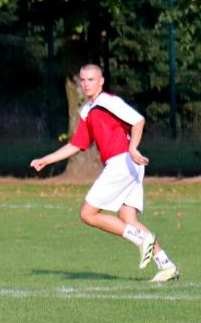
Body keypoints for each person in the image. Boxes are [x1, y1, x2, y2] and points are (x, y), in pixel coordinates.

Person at [30, 63, 179, 282]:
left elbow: (138, 120)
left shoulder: (108, 102)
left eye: (91, 79)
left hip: (123, 162)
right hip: (128, 165)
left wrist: (133, 147)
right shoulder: (86, 110)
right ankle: (166, 265)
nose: (86, 84)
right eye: (83, 80)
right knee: (127, 218)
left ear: (101, 82)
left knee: (87, 214)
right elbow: (77, 144)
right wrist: (46, 159)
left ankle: (141, 239)